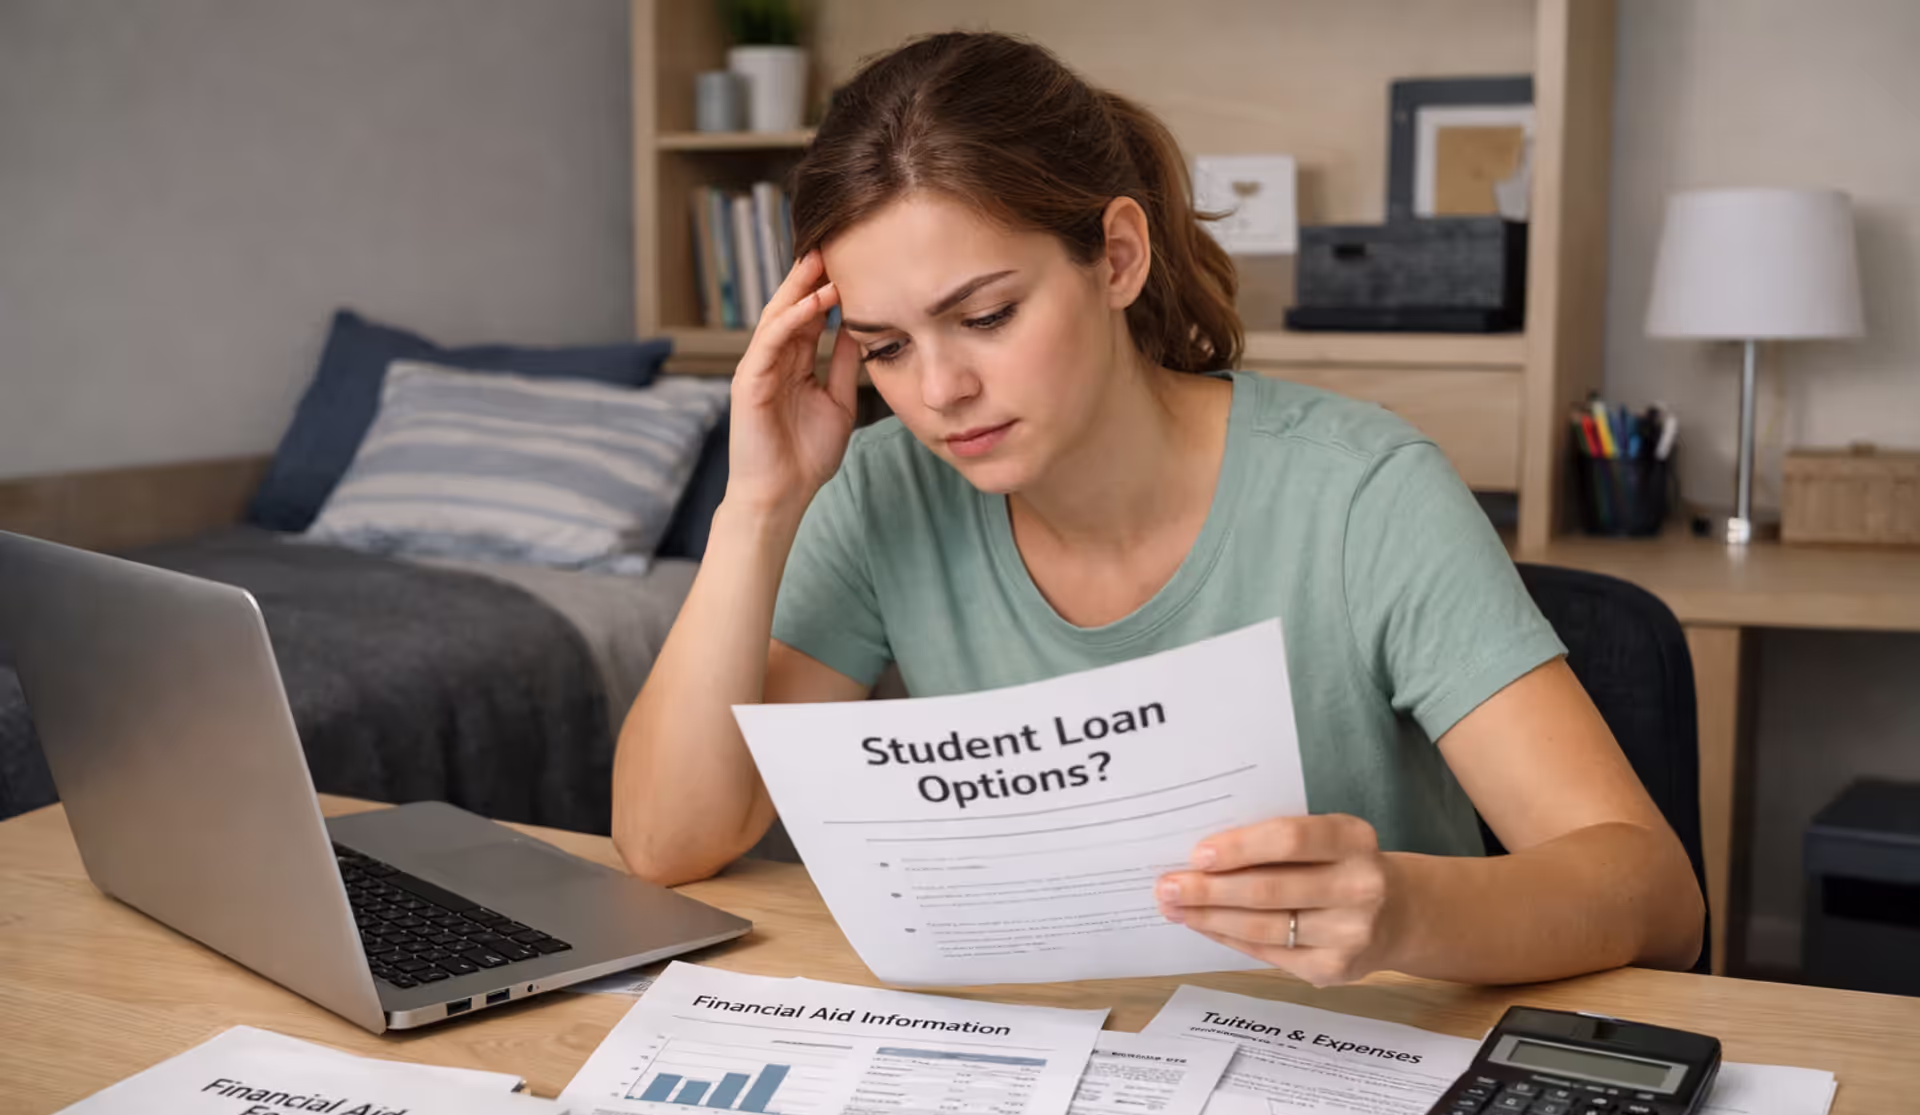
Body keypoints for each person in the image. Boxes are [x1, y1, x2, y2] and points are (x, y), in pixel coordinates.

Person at [613, 30, 1703, 986]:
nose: (939, 391)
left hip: (1362, 1071)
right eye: (887, 347)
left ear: (1118, 256)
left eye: (986, 315)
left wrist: (1408, 909)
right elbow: (670, 841)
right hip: (1070, 1072)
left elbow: (1656, 897)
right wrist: (756, 504)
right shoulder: (882, 488)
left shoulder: (1363, 493)